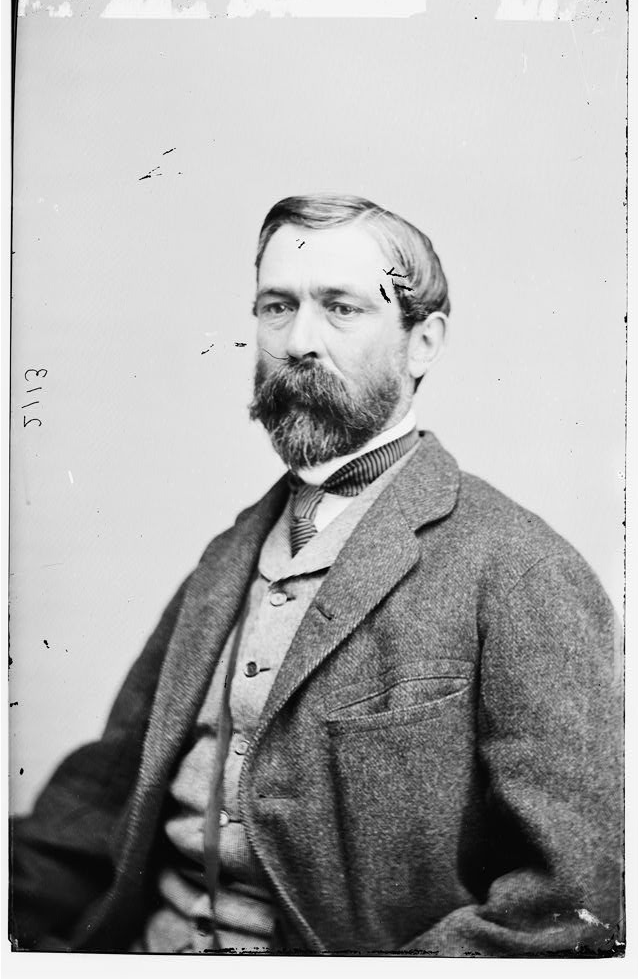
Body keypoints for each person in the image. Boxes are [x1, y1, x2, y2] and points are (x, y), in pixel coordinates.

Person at [10, 194, 623, 956]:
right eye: (277, 306)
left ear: (422, 341)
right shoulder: (227, 557)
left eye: (340, 308)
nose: (298, 341)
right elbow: (96, 804)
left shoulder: (520, 568)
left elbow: (574, 899)